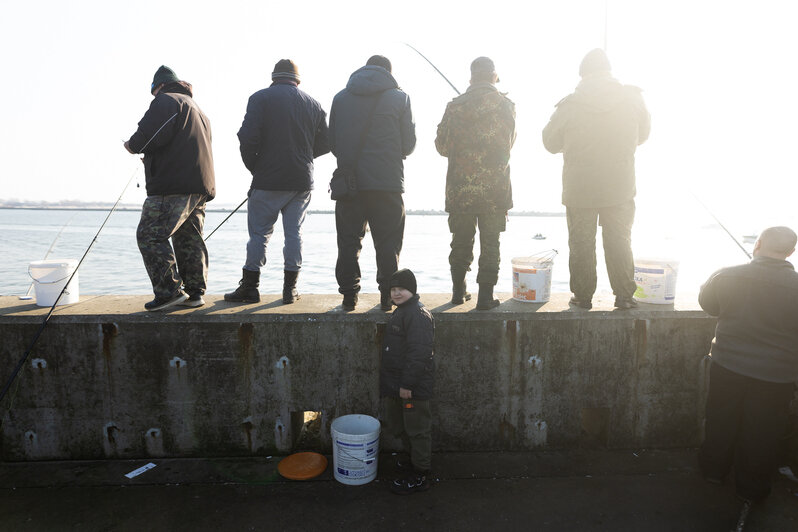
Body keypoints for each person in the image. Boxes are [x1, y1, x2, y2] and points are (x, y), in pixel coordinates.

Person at [698, 226, 798, 510]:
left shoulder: (727, 274)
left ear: (758, 244)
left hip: (728, 365)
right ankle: (750, 490)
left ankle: (713, 473)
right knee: (763, 431)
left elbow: (708, 305)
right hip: (776, 376)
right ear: (791, 252)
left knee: (720, 418)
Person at [542, 48, 650, 310]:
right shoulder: (632, 98)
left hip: (580, 188)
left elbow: (549, 141)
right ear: (609, 70)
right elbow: (644, 133)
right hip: (621, 185)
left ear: (583, 75)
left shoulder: (570, 105)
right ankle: (624, 296)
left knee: (581, 243)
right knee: (620, 240)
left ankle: (582, 297)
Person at [224, 59, 330, 304]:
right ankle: (290, 290)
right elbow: (327, 143)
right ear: (297, 80)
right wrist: (301, 156)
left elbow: (247, 137)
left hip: (267, 179)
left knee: (259, 235)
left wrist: (256, 167)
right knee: (294, 234)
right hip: (301, 180)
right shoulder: (313, 104)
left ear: (274, 77)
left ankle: (250, 287)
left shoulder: (259, 98)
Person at [125, 65, 215, 312]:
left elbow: (148, 137)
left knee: (150, 234)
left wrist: (131, 146)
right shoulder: (198, 110)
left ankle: (169, 292)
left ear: (159, 87)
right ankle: (195, 292)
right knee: (189, 237)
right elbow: (178, 143)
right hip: (199, 185)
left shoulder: (166, 101)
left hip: (173, 185)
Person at [329, 55, 416, 311]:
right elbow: (409, 145)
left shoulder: (341, 98)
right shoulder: (400, 98)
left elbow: (333, 142)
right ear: (389, 72)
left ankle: (349, 297)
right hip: (387, 184)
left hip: (350, 184)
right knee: (388, 244)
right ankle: (388, 299)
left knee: (348, 243)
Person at [435, 57, 516, 310]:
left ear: (470, 79)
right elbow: (509, 144)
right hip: (495, 190)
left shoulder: (454, 107)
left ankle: (458, 292)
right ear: (494, 77)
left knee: (460, 241)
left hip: (460, 190)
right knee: (491, 243)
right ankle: (485, 297)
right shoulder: (507, 106)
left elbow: (442, 146)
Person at [380, 268, 434, 495]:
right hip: (398, 385)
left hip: (411, 387)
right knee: (400, 425)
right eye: (393, 289)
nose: (397, 293)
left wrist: (407, 386)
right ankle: (412, 461)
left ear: (412, 290)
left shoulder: (417, 315)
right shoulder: (402, 311)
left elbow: (419, 354)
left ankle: (421, 474)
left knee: (417, 430)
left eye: (401, 289)